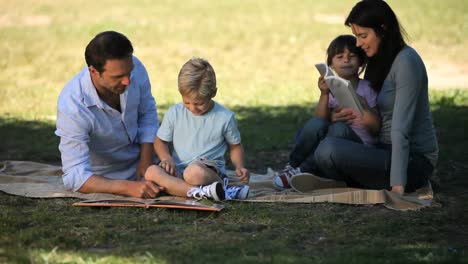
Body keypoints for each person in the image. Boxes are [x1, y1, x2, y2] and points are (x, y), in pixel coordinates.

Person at [56, 31, 221, 200]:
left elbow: (147, 113)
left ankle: (210, 187)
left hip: (152, 163)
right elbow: (74, 175)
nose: (127, 81)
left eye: (129, 72)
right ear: (93, 71)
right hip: (107, 176)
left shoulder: (135, 67)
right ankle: (211, 191)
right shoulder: (72, 105)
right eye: (118, 77)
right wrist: (128, 187)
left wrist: (146, 157)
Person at [312, 0, 438, 195]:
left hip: (413, 160)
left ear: (383, 29)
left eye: (363, 36)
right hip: (380, 149)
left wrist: (398, 185)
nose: (358, 43)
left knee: (328, 150)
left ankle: (354, 179)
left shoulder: (407, 62)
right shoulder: (376, 59)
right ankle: (310, 173)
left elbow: (401, 129)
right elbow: (370, 112)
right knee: (334, 133)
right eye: (356, 36)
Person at [273, 35, 380, 190]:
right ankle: (292, 166)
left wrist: (363, 107)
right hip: (330, 145)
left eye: (352, 56)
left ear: (361, 61)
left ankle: (303, 170)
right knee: (315, 124)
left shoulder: (367, 88)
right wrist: (324, 94)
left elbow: (376, 128)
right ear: (331, 64)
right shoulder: (331, 90)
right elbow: (319, 121)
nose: (346, 60)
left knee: (339, 129)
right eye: (340, 56)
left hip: (358, 147)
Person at [144, 57, 250, 200]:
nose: (193, 108)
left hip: (206, 171)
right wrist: (166, 158)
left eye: (199, 103)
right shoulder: (174, 113)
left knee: (193, 172)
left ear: (213, 93)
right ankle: (204, 193)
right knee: (151, 171)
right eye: (187, 102)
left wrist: (239, 166)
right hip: (179, 170)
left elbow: (235, 146)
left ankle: (218, 186)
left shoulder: (224, 117)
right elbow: (160, 140)